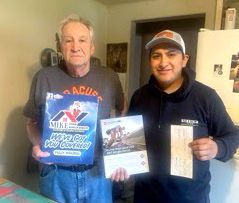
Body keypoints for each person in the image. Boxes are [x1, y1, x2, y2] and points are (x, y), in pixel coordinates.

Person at [23, 14, 128, 203]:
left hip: (98, 174)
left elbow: (122, 112)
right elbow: (31, 122)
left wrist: (120, 153)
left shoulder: (109, 77)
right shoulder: (43, 77)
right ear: (60, 46)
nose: (75, 47)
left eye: (82, 40)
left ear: (91, 47)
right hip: (56, 175)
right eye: (68, 40)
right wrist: (38, 143)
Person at [128, 30, 239, 203]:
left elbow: (233, 136)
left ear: (184, 60)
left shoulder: (206, 97)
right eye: (157, 56)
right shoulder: (139, 97)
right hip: (145, 196)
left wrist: (217, 147)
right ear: (150, 61)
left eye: (171, 54)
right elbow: (129, 140)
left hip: (189, 199)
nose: (163, 62)